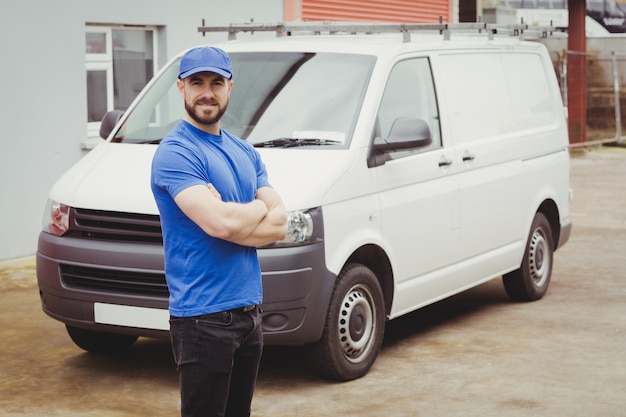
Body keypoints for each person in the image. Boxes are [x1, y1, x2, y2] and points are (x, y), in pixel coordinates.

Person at [150, 46, 288, 417]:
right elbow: (221, 223)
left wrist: (239, 216)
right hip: (203, 319)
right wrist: (257, 209)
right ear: (181, 88)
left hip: (248, 313)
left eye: (216, 82)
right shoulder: (176, 152)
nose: (207, 92)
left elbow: (280, 223)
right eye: (197, 82)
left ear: (230, 88)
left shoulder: (246, 152)